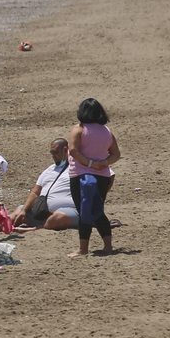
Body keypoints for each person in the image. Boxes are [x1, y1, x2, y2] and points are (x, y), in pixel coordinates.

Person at [67, 98, 119, 257]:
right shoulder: (106, 131)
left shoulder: (79, 129)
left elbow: (73, 151)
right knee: (98, 210)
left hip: (81, 175)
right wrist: (103, 162)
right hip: (102, 176)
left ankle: (83, 249)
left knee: (84, 211)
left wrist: (90, 163)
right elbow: (116, 154)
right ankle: (108, 246)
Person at [8, 138, 79, 232]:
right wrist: (24, 211)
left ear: (65, 150)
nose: (53, 156)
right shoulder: (50, 169)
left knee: (58, 217)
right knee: (17, 213)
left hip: (68, 211)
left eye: (55, 152)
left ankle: (34, 228)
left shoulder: (77, 169)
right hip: (43, 211)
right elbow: (35, 192)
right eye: (51, 153)